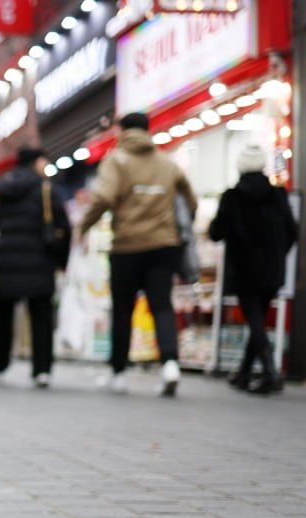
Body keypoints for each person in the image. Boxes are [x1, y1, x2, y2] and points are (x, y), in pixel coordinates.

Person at [74, 112, 197, 397]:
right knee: (162, 305)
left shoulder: (116, 160)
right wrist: (179, 224)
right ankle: (170, 365)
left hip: (127, 246)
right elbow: (189, 198)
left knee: (123, 309)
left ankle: (118, 373)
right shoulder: (166, 162)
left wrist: (84, 226)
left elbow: (103, 197)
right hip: (164, 245)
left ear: (121, 131)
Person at [208, 143, 298, 395]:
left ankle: (270, 373)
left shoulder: (232, 197)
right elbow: (292, 231)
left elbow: (216, 233)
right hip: (272, 269)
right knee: (256, 319)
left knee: (255, 321)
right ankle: (244, 373)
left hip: (244, 268)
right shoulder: (278, 195)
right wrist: (278, 253)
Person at [0, 147, 72, 388]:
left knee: (2, 314)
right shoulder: (46, 189)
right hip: (39, 260)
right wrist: (61, 261)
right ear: (35, 162)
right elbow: (63, 226)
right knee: (41, 316)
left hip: (6, 259)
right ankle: (41, 370)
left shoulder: (4, 189)